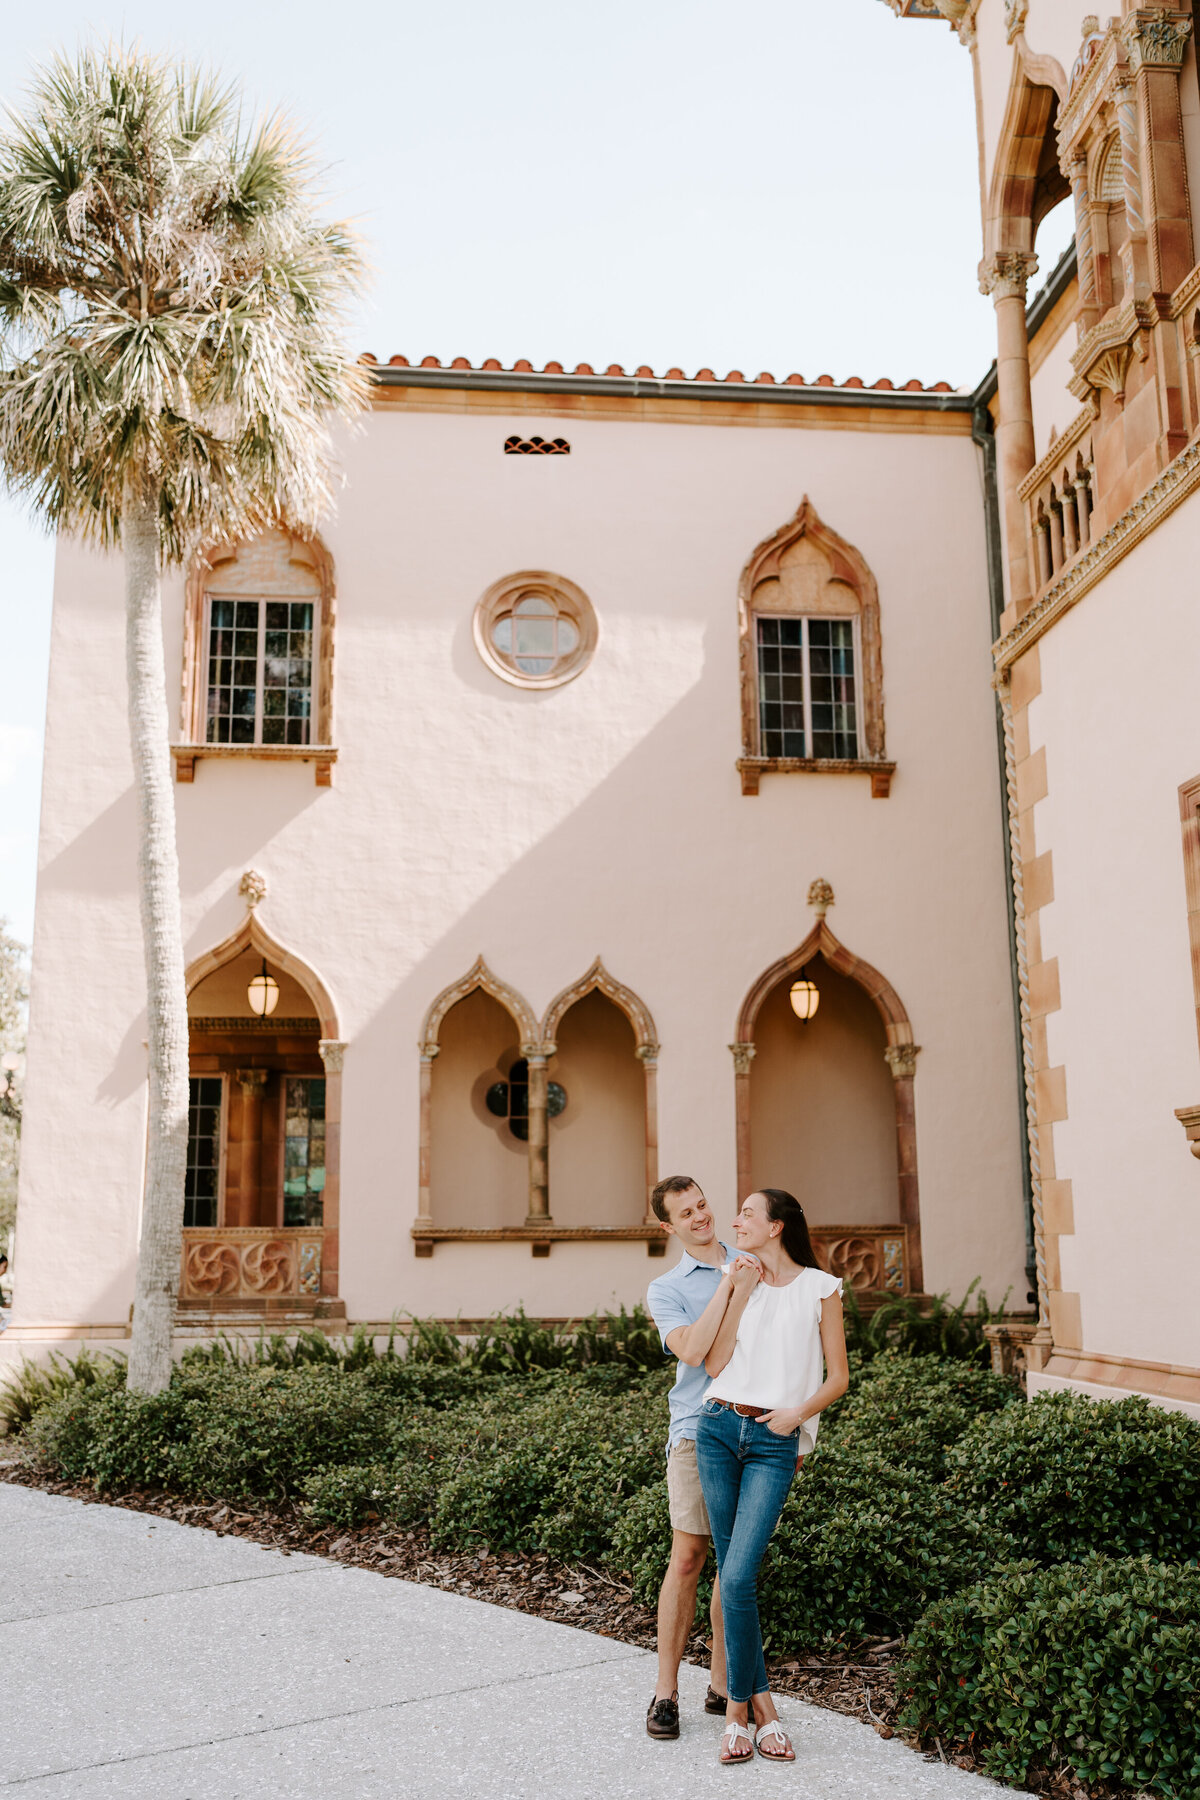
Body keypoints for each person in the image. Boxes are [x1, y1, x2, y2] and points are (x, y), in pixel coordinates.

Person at [696, 1188, 849, 1765]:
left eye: (747, 1215)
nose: (736, 1222)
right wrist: (736, 1289)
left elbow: (839, 1376)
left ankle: (739, 1708)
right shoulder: (742, 1281)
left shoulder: (821, 1288)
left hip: (773, 1442)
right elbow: (714, 1365)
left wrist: (797, 1415)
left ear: (777, 1226)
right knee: (734, 1576)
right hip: (716, 1428)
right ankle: (761, 1706)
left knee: (737, 1577)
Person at [644, 1174, 738, 1740]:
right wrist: (729, 1287)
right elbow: (695, 1352)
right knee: (688, 1557)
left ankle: (723, 1686)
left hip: (757, 1428)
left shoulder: (757, 1261)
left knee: (738, 1561)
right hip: (697, 1429)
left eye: (702, 1205)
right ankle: (665, 1691)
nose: (701, 1217)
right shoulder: (667, 1288)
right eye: (686, 1213)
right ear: (668, 1226)